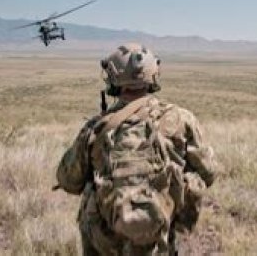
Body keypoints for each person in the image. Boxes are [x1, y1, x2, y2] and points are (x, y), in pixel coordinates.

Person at [55, 43, 217, 255]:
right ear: (153, 74)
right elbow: (209, 172)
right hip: (160, 242)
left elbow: (68, 181)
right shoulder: (181, 119)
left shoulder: (97, 128)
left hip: (106, 245)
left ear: (113, 78)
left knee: (89, 190)